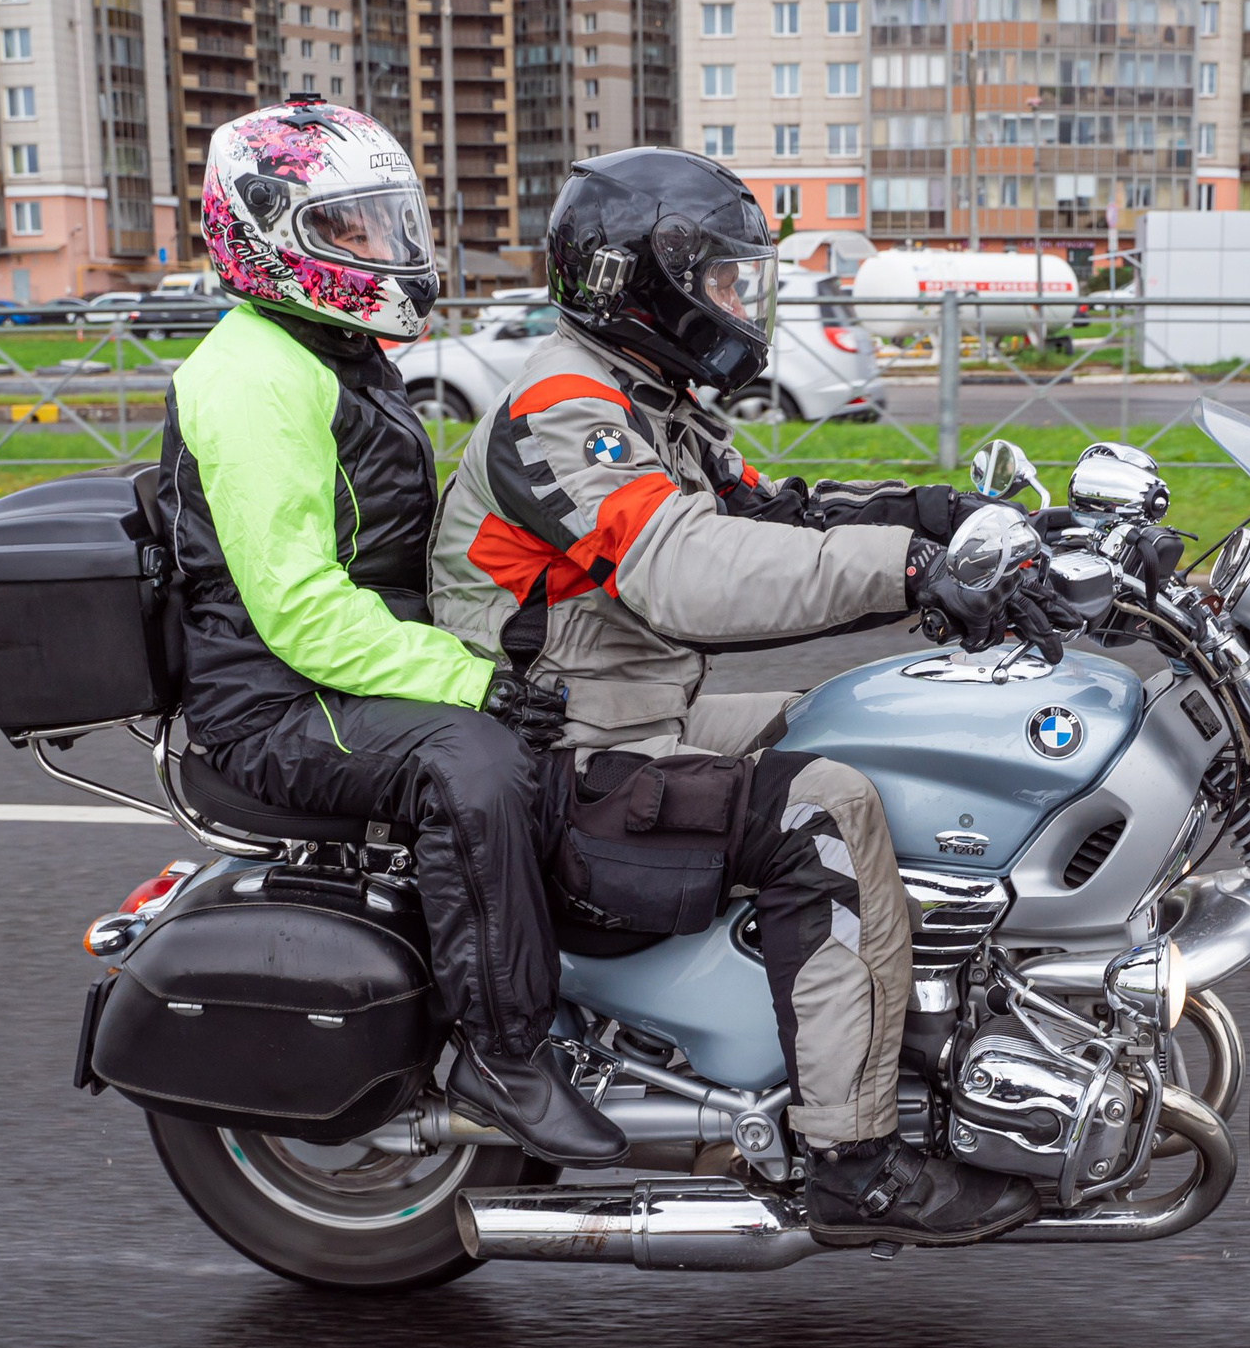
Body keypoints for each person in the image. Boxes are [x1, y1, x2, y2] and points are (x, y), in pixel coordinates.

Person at [430, 146, 1071, 1245]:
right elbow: (685, 569)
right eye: (719, 277)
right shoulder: (564, 408)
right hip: (555, 749)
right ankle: (850, 1159)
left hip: (630, 711)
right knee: (826, 807)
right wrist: (918, 575)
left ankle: (884, 1021)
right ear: (639, 278)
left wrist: (939, 516)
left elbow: (779, 519)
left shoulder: (647, 403)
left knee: (887, 727)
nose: (737, 301)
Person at [156, 95, 624, 1169]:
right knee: (476, 764)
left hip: (339, 667)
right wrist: (471, 685)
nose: (383, 249)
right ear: (267, 228)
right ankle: (504, 1055)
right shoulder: (252, 378)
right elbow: (299, 607)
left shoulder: (328, 349)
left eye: (386, 223)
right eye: (349, 229)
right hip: (272, 701)